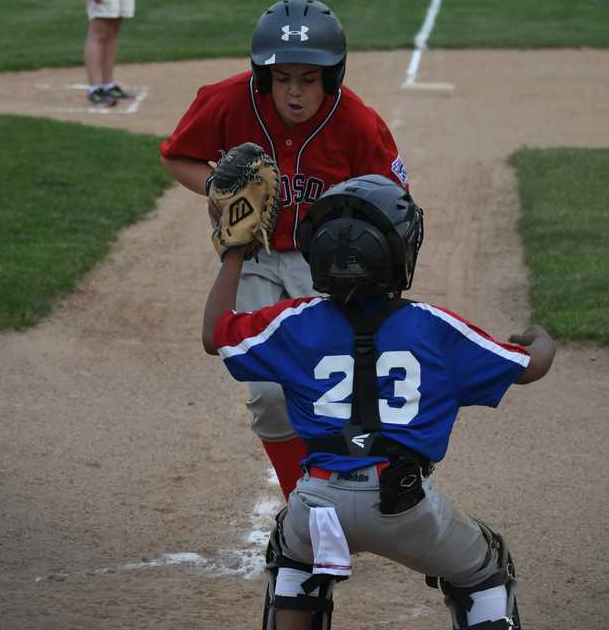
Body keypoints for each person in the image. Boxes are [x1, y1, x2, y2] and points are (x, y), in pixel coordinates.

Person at [202, 175, 556, 629]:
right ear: (400, 254)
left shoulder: (295, 321)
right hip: (405, 506)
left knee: (293, 558)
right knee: (483, 565)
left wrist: (234, 252)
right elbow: (529, 367)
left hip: (318, 500)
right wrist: (540, 340)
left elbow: (216, 333)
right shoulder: (434, 327)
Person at [161, 0, 410, 501]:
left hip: (326, 266)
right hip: (252, 256)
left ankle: (361, 490)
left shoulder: (358, 122)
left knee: (336, 386)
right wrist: (215, 190)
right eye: (282, 78)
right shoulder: (228, 101)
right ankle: (303, 501)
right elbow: (178, 156)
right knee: (271, 393)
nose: (294, 93)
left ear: (332, 77)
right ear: (261, 76)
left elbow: (395, 202)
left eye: (309, 79)